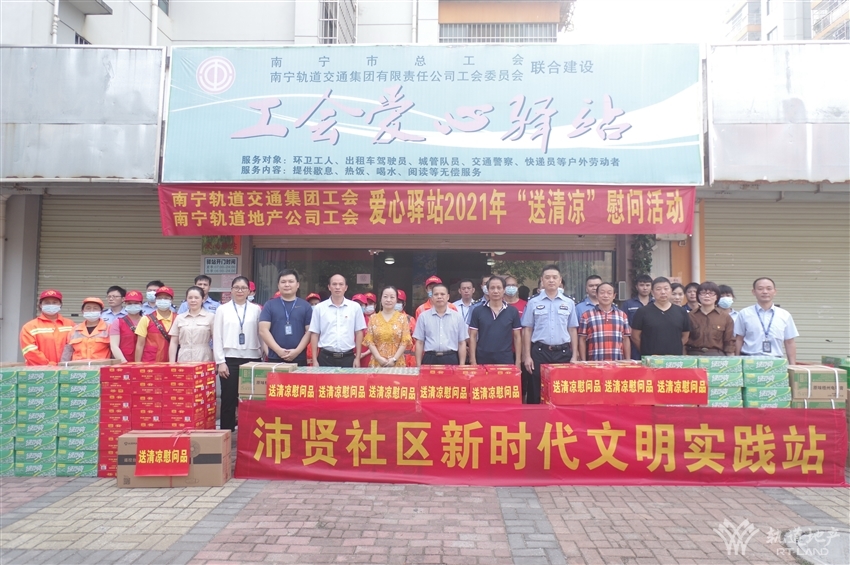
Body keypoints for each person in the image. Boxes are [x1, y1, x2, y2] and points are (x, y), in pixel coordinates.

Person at [521, 265, 578, 404]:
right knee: (536, 390)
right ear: (542, 280)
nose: (551, 280)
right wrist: (527, 356)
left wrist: (574, 356)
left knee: (561, 390)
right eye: (547, 277)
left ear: (560, 280)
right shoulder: (533, 302)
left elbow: (572, 329)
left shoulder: (569, 302)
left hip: (563, 353)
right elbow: (527, 329)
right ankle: (536, 418)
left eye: (554, 277)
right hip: (540, 352)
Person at [214, 276, 263, 432]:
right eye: (236, 287)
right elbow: (217, 336)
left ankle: (251, 432)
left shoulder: (256, 309)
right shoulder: (222, 309)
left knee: (251, 399)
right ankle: (226, 433)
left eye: (243, 288)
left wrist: (263, 355)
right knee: (228, 398)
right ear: (231, 290)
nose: (240, 291)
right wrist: (220, 361)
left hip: (252, 358)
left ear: (249, 291)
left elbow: (261, 334)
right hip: (229, 359)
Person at [734, 277, 798, 364]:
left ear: (775, 291)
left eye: (769, 288)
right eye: (760, 289)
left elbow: (789, 342)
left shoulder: (785, 315)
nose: (765, 292)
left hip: (775, 361)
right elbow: (739, 339)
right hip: (749, 360)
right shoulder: (744, 313)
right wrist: (737, 362)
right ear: (753, 292)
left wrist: (793, 365)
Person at [309, 274, 367, 367]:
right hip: (325, 357)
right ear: (329, 287)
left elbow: (359, 333)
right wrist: (315, 360)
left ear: (346, 287)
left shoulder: (355, 307)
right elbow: (314, 334)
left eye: (341, 284)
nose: (337, 287)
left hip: (348, 357)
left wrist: (357, 358)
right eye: (334, 284)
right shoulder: (319, 308)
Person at [260, 269, 313, 366]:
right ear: (278, 285)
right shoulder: (269, 305)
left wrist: (297, 351)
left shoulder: (306, 306)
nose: (287, 285)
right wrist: (278, 351)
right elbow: (263, 330)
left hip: (299, 357)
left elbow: (310, 331)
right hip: (275, 357)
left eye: (291, 281)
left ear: (297, 285)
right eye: (283, 282)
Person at [468, 276, 521, 367]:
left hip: (505, 357)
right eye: (492, 288)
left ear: (504, 290)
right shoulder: (478, 311)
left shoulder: (512, 311)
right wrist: (473, 360)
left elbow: (517, 337)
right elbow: (472, 336)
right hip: (483, 357)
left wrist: (518, 361)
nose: (496, 291)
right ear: (487, 290)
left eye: (499, 288)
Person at [630, 277, 691, 356]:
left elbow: (685, 335)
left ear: (671, 290)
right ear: (652, 292)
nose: (663, 292)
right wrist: (645, 351)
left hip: (674, 359)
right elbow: (635, 336)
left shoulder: (681, 311)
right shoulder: (642, 312)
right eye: (658, 289)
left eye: (666, 289)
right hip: (650, 358)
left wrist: (675, 347)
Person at [413, 284, 468, 366]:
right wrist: (418, 365)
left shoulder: (457, 317)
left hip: (450, 357)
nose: (439, 297)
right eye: (436, 294)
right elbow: (419, 342)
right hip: (430, 357)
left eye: (442, 294)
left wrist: (462, 365)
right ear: (432, 297)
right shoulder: (423, 317)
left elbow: (461, 343)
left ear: (448, 297)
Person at [578, 282, 631, 361]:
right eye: (602, 292)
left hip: (617, 363)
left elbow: (626, 339)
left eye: (609, 293)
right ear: (597, 295)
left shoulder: (622, 315)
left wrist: (628, 360)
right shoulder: (586, 315)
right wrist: (583, 361)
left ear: (614, 296)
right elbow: (582, 339)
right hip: (594, 362)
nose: (605, 296)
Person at [20, 290, 75, 366]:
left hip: (66, 369)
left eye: (54, 302)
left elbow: (76, 348)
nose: (51, 305)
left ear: (60, 304)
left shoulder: (70, 324)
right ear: (40, 305)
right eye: (47, 302)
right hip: (39, 370)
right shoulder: (29, 327)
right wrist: (49, 365)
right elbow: (29, 351)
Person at [363, 286, 412, 368]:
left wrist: (394, 359)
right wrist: (378, 358)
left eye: (392, 297)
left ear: (396, 300)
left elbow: (405, 341)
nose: (388, 300)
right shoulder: (373, 318)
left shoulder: (402, 318)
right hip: (377, 363)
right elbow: (369, 341)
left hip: (397, 363)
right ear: (381, 299)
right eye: (385, 297)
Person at [686, 281, 735, 356]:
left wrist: (731, 359)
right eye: (703, 293)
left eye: (711, 293)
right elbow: (684, 339)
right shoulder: (690, 316)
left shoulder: (725, 317)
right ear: (698, 296)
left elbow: (729, 342)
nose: (707, 296)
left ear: (717, 297)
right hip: (693, 354)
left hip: (716, 355)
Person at [168, 286, 215, 362]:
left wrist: (216, 362)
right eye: (190, 298)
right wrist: (172, 362)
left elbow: (216, 341)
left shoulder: (211, 317)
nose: (193, 300)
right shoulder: (179, 318)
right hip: (183, 359)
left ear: (203, 299)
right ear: (186, 299)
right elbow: (174, 342)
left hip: (204, 358)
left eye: (196, 298)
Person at [59, 297, 111, 361]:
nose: (91, 311)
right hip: (77, 366)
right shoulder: (74, 330)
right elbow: (68, 351)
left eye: (95, 308)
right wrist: (63, 365)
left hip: (101, 366)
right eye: (88, 308)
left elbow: (114, 350)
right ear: (82, 311)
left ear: (101, 312)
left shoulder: (109, 328)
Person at [135, 286, 176, 362]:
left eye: (166, 298)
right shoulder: (146, 319)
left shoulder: (178, 319)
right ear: (156, 300)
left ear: (171, 300)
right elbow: (140, 345)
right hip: (150, 362)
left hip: (172, 362)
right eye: (159, 298)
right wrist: (137, 364)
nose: (162, 300)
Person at [621, 274, 653, 360]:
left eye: (647, 285)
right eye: (641, 285)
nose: (645, 288)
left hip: (652, 340)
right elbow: (623, 322)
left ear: (651, 287)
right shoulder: (628, 304)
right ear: (636, 287)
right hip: (633, 343)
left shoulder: (655, 303)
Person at [109, 290, 144, 362]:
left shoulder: (148, 321)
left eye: (136, 303)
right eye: (129, 303)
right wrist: (124, 363)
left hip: (145, 361)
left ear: (141, 304)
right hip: (124, 361)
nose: (133, 305)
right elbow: (114, 346)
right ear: (125, 304)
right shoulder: (118, 322)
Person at [397, 289, 417, 367]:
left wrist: (412, 363)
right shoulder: (383, 319)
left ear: (404, 304)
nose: (396, 304)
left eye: (398, 302)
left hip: (406, 362)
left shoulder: (410, 320)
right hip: (388, 362)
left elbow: (416, 344)